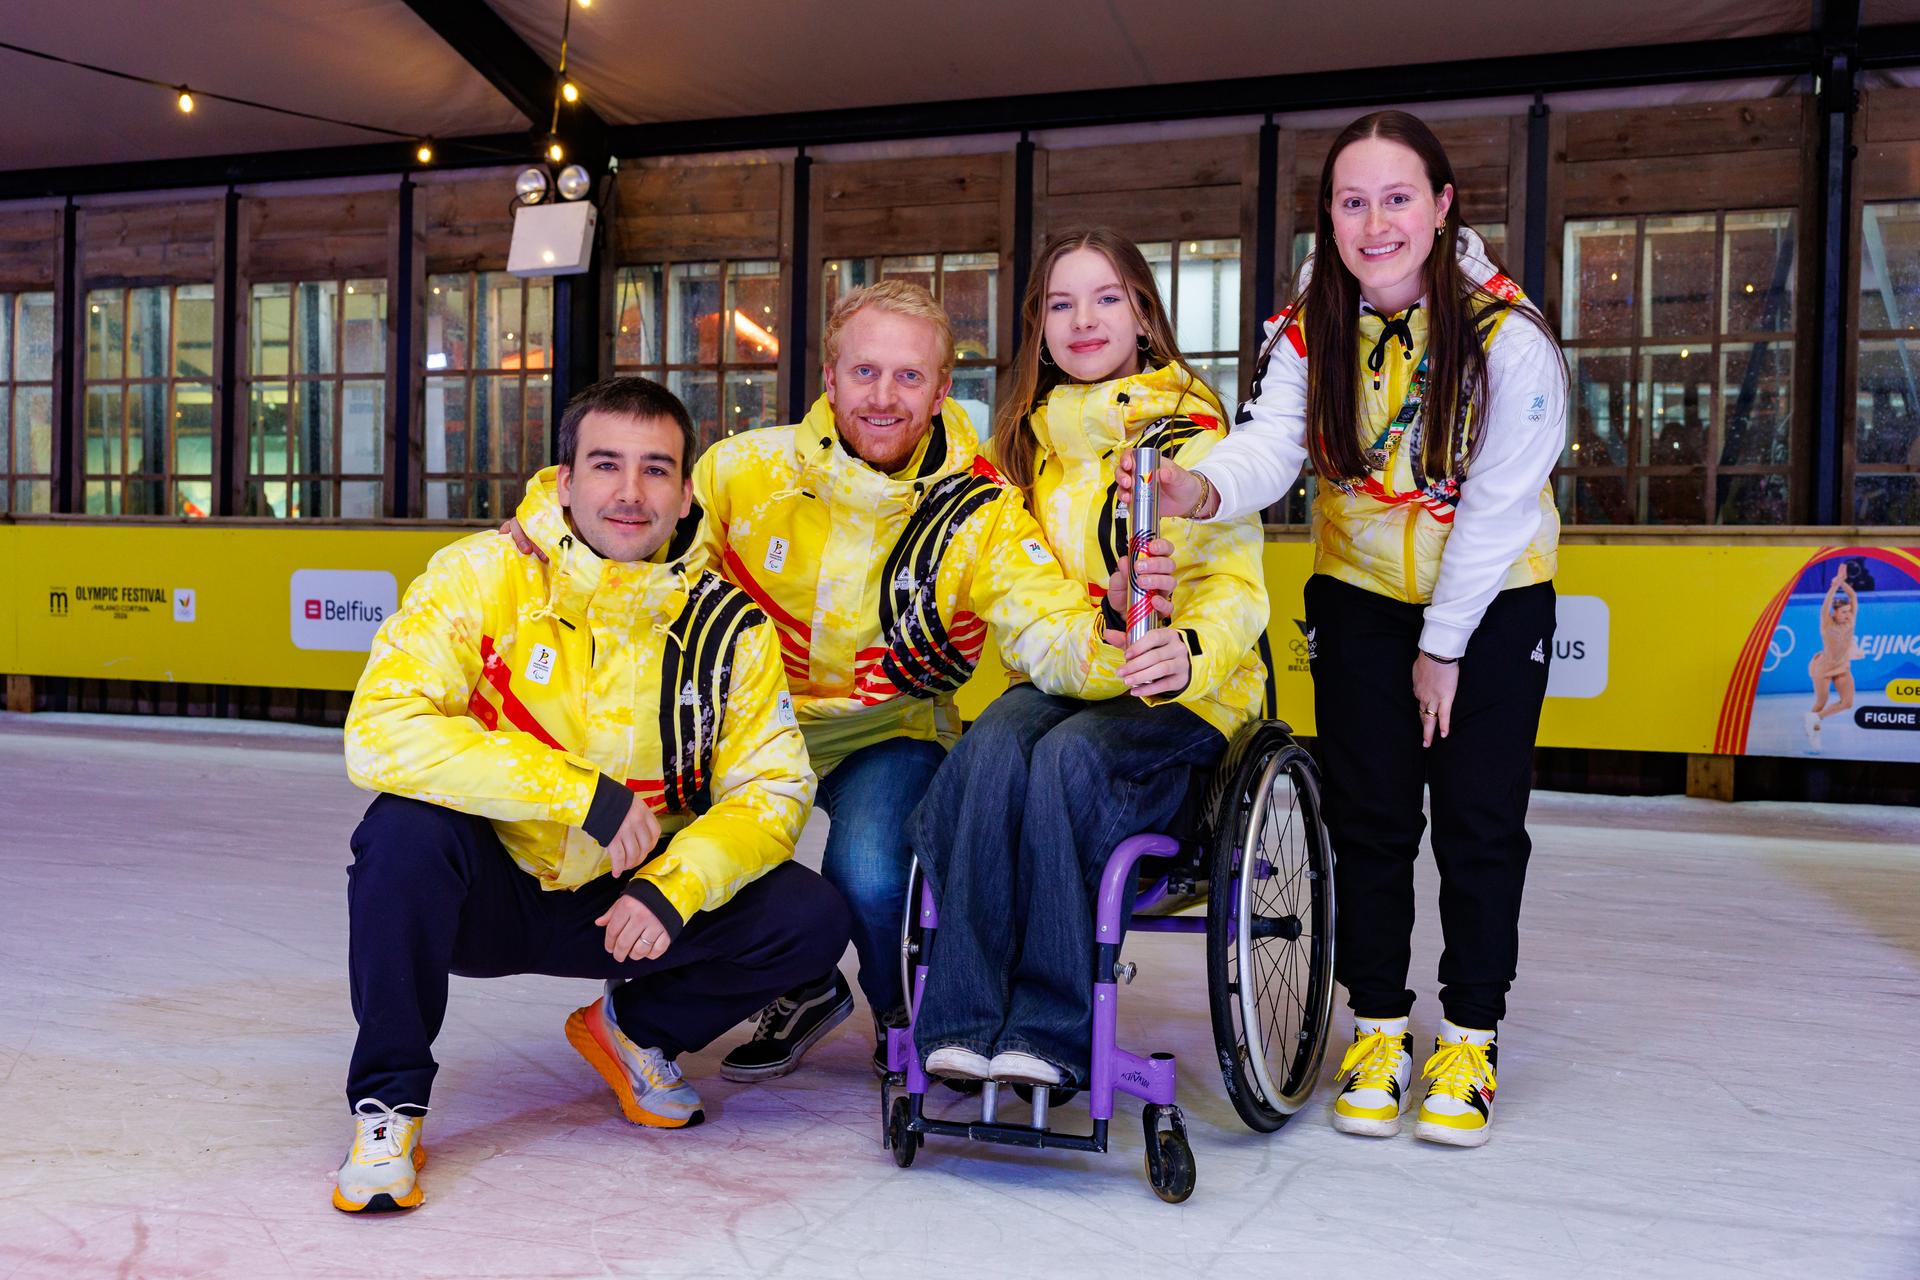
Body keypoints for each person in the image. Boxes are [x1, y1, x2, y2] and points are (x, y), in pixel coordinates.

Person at [504, 282, 1157, 1083]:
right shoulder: (746, 471)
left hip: (889, 730)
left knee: (874, 873)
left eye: (909, 377)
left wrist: (1115, 631)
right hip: (732, 731)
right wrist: (543, 527)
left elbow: (1044, 625)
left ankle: (901, 1015)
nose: (883, 398)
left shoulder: (983, 506)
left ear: (944, 389)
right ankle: (800, 983)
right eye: (864, 373)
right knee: (653, 850)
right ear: (829, 376)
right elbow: (635, 523)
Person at [1120, 110, 1568, 1147]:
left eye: (1398, 197)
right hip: (1360, 597)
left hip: (1493, 601)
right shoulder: (1306, 326)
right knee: (1368, 818)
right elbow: (1273, 450)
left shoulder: (1510, 337)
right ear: (1328, 215)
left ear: (1444, 204)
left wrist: (1444, 647)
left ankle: (1469, 1032)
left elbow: (1501, 506)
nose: (1375, 223)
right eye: (1352, 201)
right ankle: (1376, 1023)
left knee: (1478, 820)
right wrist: (1197, 488)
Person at [332, 377, 847, 1213]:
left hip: (627, 909)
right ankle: (388, 1101)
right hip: (489, 890)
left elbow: (774, 786)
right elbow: (383, 728)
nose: (630, 492)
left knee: (811, 917)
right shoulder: (483, 574)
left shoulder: (730, 625)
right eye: (606, 465)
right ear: (565, 480)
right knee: (399, 834)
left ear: (686, 497)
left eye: (656, 470)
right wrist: (582, 796)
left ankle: (638, 1031)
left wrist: (675, 888)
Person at [907, 228, 1270, 1089]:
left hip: (1180, 695)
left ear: (1144, 314)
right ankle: (959, 1023)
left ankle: (1048, 1031)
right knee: (992, 745)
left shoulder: (1193, 434)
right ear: (1038, 325)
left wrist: (1187, 652)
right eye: (1061, 304)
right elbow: (1027, 601)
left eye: (1106, 298)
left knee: (1068, 760)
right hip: (1074, 672)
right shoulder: (1024, 450)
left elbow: (1235, 585)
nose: (1083, 320)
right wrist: (1100, 622)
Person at [1805, 563, 1862, 753]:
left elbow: (1853, 597)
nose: (1848, 614)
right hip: (1823, 667)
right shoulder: (1826, 624)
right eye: (1843, 612)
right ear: (1835, 613)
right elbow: (1825, 605)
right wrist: (1833, 587)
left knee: (1847, 702)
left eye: (1848, 611)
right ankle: (1813, 737)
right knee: (1820, 702)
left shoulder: (1851, 620)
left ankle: (1816, 718)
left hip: (1842, 666)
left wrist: (1842, 583)